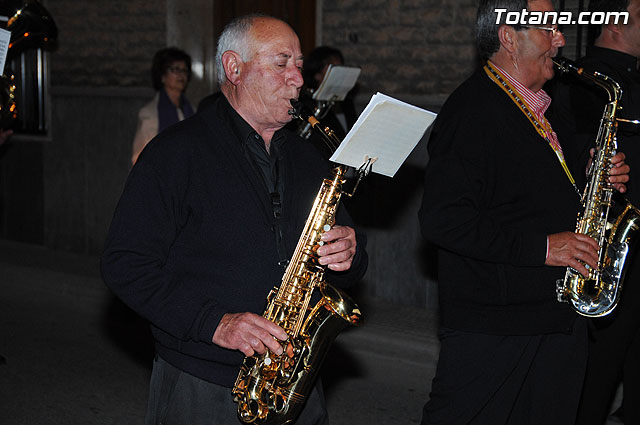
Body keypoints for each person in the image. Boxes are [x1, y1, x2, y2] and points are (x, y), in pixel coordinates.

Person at [101, 14, 367, 425]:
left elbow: (346, 263)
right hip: (201, 383)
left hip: (295, 381)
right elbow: (124, 263)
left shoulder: (307, 156)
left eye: (298, 65)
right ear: (233, 67)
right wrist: (215, 323)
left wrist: (350, 252)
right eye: (282, 63)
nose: (298, 79)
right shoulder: (175, 153)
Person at [418, 1, 630, 424]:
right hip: (496, 327)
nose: (560, 39)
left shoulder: (542, 110)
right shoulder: (473, 110)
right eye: (548, 28)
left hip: (551, 316)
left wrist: (594, 177)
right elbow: (443, 219)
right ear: (509, 38)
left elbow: (527, 195)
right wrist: (543, 249)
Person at [550, 1, 640, 424]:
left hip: (629, 242)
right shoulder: (590, 81)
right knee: (598, 370)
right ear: (618, 21)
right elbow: (583, 159)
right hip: (607, 245)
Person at [130, 47, 195, 165]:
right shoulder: (150, 113)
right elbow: (140, 157)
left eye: (184, 70)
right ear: (162, 76)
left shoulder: (191, 110)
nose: (181, 75)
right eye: (175, 69)